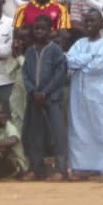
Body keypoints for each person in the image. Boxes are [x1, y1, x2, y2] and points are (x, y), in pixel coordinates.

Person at [66, 9, 103, 179]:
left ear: (101, 23)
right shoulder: (79, 43)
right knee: (80, 128)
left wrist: (82, 62)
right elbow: (69, 60)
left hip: (99, 93)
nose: (88, 24)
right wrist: (89, 57)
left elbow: (99, 66)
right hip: (79, 93)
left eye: (92, 21)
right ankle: (82, 166)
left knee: (102, 128)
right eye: (86, 21)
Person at [21, 14, 67, 180]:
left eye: (43, 28)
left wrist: (45, 92)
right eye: (36, 29)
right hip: (34, 100)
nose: (39, 31)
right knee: (35, 135)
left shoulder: (55, 50)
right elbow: (25, 74)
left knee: (57, 133)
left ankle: (60, 170)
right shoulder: (29, 51)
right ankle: (36, 168)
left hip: (51, 98)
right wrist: (33, 91)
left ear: (50, 30)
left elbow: (59, 73)